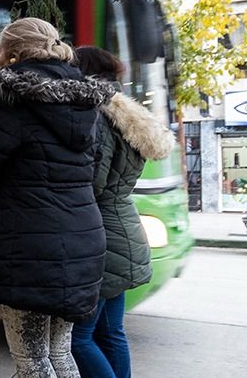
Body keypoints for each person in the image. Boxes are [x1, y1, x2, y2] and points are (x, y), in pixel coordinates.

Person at [0, 18, 114, 378]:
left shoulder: (11, 100)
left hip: (30, 250)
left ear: (12, 52)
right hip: (81, 243)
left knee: (33, 363)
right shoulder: (83, 102)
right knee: (60, 354)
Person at [69, 47, 174, 378]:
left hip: (101, 235)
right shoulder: (126, 115)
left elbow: (93, 183)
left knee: (79, 340)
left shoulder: (96, 116)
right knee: (110, 333)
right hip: (123, 229)